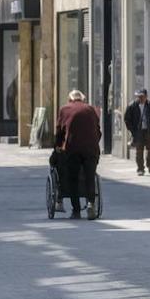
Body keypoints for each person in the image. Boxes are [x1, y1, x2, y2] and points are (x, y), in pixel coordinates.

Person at [55, 90, 102, 219]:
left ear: (70, 99)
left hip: (72, 148)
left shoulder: (64, 109)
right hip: (90, 149)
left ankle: (76, 210)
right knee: (89, 177)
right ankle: (91, 203)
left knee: (73, 179)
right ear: (82, 99)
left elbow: (59, 132)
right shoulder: (90, 109)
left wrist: (58, 146)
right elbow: (98, 131)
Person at [123, 88, 150, 176]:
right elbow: (127, 119)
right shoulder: (132, 106)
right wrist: (132, 130)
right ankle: (140, 169)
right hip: (138, 131)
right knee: (139, 150)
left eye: (142, 96)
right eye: (138, 96)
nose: (140, 98)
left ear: (146, 96)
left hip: (149, 131)